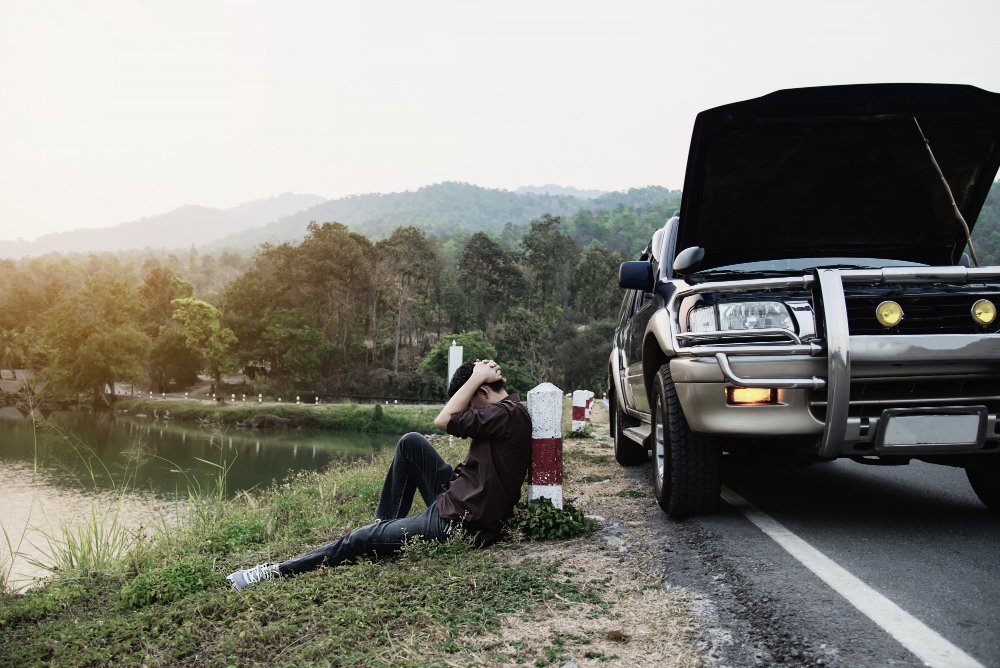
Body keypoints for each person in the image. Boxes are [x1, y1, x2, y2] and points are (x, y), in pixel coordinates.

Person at [227, 359, 532, 590]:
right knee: (411, 442)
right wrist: (477, 380)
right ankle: (384, 528)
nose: (470, 411)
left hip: (459, 521)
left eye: (471, 400)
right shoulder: (508, 413)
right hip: (460, 498)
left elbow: (444, 419)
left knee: (358, 539)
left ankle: (271, 572)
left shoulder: (504, 414)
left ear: (481, 390)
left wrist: (477, 376)